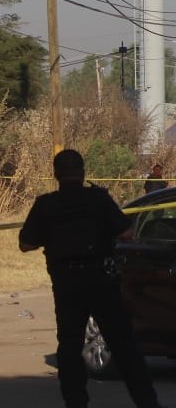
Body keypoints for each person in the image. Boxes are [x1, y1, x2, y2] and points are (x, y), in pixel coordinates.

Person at [18, 149, 165, 408]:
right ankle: (147, 402)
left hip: (66, 284)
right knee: (124, 346)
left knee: (69, 348)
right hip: (101, 281)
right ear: (83, 172)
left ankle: (75, 402)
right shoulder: (98, 199)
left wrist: (53, 236)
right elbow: (127, 233)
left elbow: (26, 244)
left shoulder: (46, 205)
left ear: (56, 175)